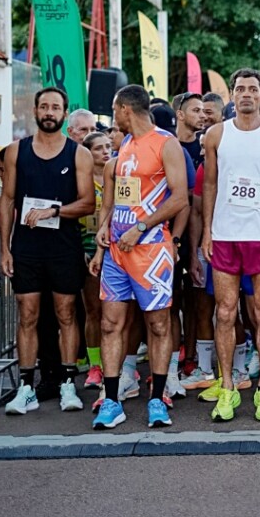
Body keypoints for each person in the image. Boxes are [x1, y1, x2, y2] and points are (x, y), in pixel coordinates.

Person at [89, 85, 189, 429]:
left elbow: (180, 199)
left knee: (158, 325)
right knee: (109, 323)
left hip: (151, 251)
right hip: (118, 250)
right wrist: (104, 233)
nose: (113, 118)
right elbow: (120, 199)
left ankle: (158, 399)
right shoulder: (126, 145)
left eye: (115, 111)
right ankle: (112, 400)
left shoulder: (166, 143)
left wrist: (142, 226)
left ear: (125, 109)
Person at [201, 68, 260, 423]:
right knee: (225, 312)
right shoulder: (216, 134)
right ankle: (227, 387)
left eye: (252, 89)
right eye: (239, 89)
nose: (245, 94)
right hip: (225, 235)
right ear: (232, 95)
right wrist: (207, 231)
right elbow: (209, 185)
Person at [0, 87, 95, 415]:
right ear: (36, 111)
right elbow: (7, 200)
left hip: (63, 246)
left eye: (55, 107)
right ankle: (26, 386)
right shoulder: (16, 151)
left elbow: (87, 203)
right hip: (26, 248)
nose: (49, 112)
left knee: (66, 313)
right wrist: (4, 248)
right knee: (27, 315)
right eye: (44, 107)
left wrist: (52, 211)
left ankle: (68, 382)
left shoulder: (78, 154)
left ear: (65, 113)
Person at [81, 132, 111, 391]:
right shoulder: (81, 182)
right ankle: (95, 365)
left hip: (116, 251)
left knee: (115, 314)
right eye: (99, 148)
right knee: (94, 311)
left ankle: (118, 364)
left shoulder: (118, 176)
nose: (105, 151)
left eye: (108, 147)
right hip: (89, 250)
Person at [175, 92, 207, 166]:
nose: (203, 116)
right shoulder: (167, 146)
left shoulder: (205, 147)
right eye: (196, 110)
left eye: (203, 111)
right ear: (180, 115)